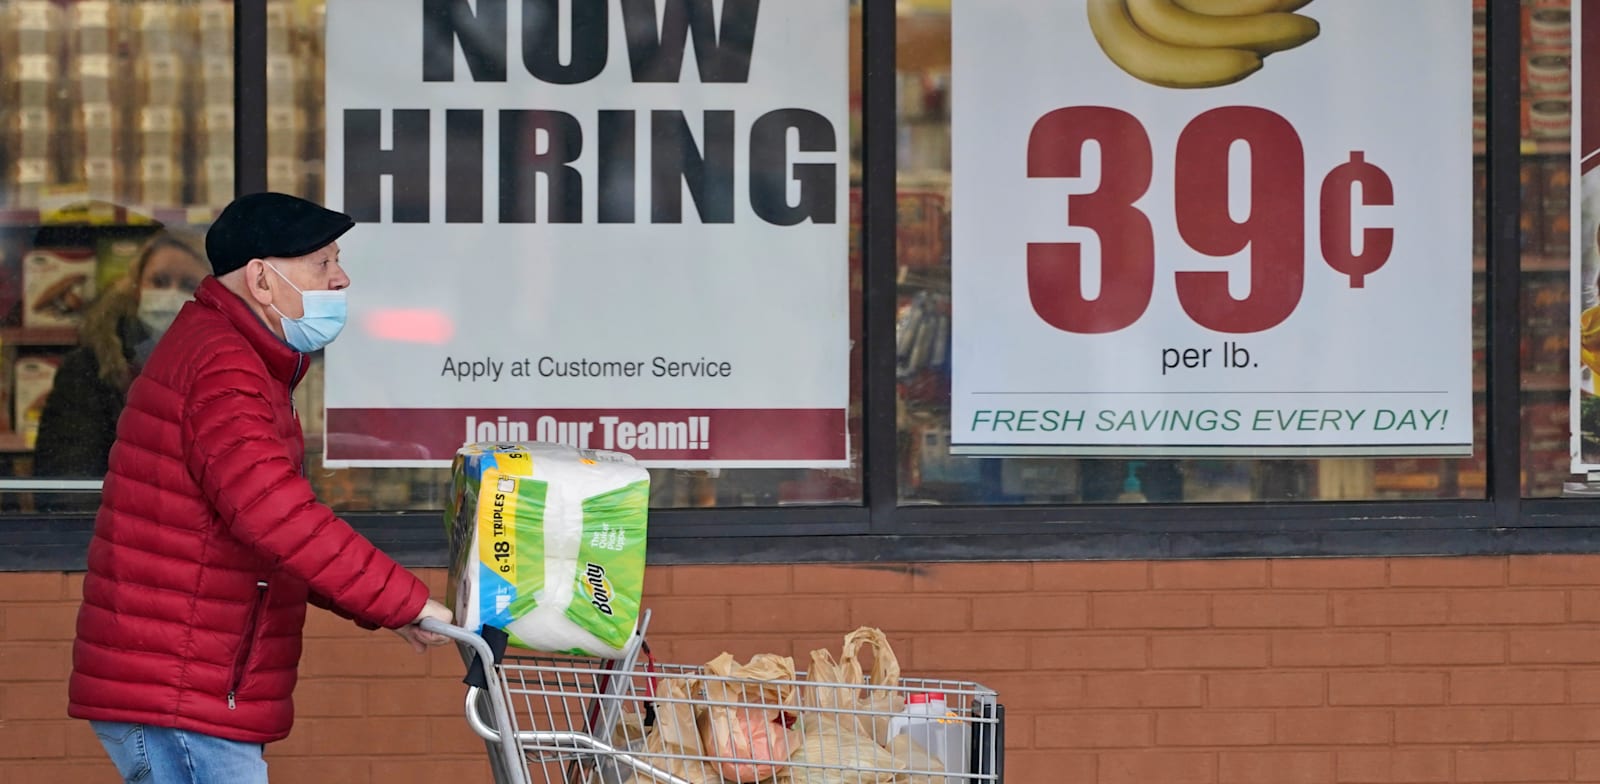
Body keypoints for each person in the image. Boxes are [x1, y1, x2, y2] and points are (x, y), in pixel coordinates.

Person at [67, 192, 455, 784]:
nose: (341, 276)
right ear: (262, 280)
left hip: (183, 684)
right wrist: (403, 598)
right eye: (323, 262)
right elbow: (276, 516)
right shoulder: (225, 367)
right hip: (180, 691)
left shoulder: (233, 355)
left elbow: (261, 528)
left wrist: (376, 605)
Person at [34, 232, 212, 480]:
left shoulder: (227, 365)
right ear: (137, 287)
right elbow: (67, 477)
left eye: (188, 285)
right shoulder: (91, 366)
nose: (171, 295)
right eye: (159, 282)